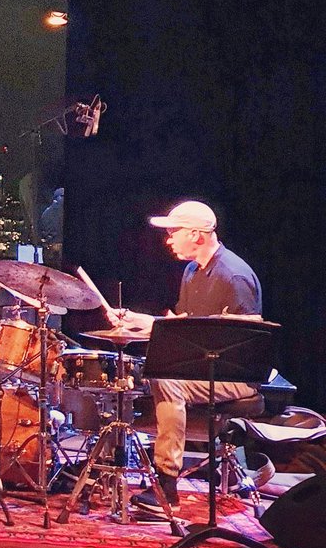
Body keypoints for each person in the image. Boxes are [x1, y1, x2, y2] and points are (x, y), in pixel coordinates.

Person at [106, 199, 264, 519]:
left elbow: (246, 349)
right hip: (205, 367)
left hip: (237, 377)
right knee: (150, 373)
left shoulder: (234, 276)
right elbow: (186, 326)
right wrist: (139, 321)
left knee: (168, 381)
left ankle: (167, 484)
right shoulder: (192, 271)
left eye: (174, 232)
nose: (168, 239)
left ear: (196, 235)